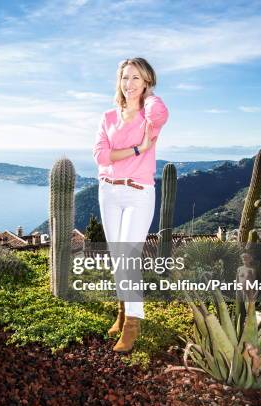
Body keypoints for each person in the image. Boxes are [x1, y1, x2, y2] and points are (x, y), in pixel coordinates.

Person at [92, 57, 169, 352]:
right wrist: (138, 148)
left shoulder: (151, 115)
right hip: (109, 192)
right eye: (125, 77)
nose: (129, 84)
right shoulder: (108, 116)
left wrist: (147, 96)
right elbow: (101, 156)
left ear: (147, 82)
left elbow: (160, 113)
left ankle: (132, 325)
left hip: (139, 193)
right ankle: (123, 310)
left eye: (137, 78)